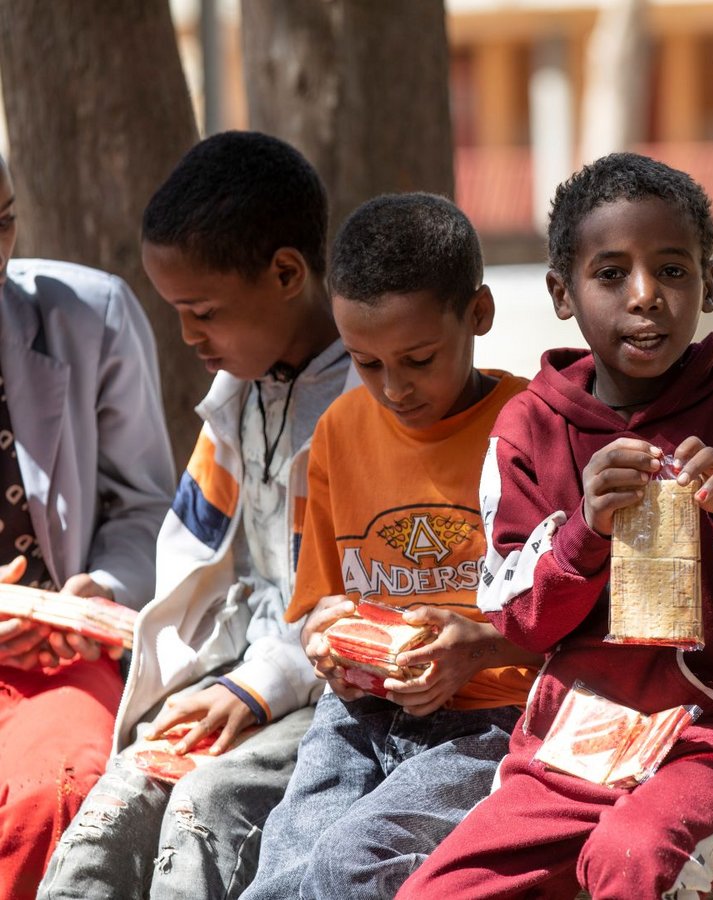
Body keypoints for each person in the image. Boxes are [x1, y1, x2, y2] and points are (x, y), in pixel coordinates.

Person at [395, 152, 713, 900]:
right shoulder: (529, 428)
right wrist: (583, 533)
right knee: (438, 891)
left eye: (673, 271)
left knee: (630, 857)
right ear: (563, 292)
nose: (646, 297)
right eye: (611, 273)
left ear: (709, 284)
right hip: (577, 740)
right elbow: (520, 620)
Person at [38, 131, 351, 899]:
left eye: (202, 311)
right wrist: (113, 608)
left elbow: (345, 599)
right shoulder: (238, 400)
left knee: (203, 813)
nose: (186, 336)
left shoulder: (364, 404)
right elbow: (191, 549)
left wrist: (256, 689)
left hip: (325, 695)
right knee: (110, 812)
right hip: (235, 671)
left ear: (286, 273)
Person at [241, 192, 541, 898]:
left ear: (479, 314)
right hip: (357, 713)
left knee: (353, 864)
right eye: (366, 363)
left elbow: (583, 618)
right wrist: (329, 644)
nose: (393, 388)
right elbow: (321, 602)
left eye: (417, 359)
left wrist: (479, 645)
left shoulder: (535, 429)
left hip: (494, 718)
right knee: (282, 867)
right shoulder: (340, 433)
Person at [0, 152, 175, 898]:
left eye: (3, 222)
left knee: (52, 795)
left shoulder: (88, 315)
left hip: (60, 659)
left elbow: (145, 507)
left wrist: (97, 588)